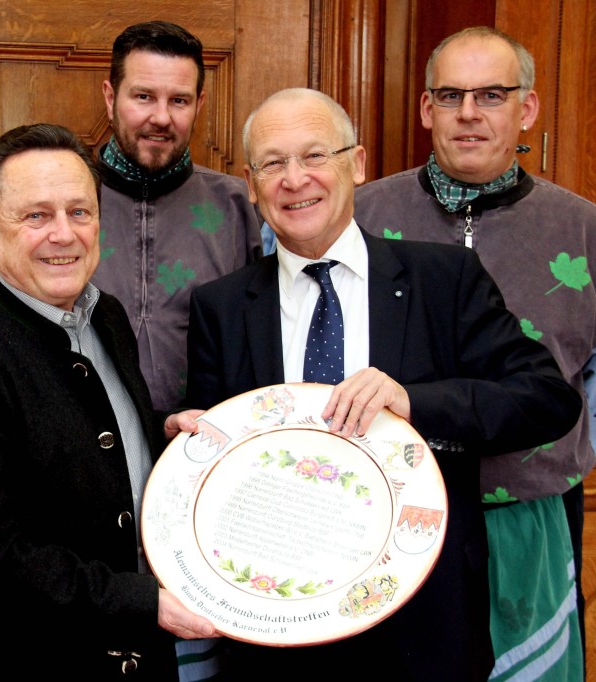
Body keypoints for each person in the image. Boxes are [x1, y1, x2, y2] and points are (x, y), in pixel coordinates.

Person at [186, 88, 580, 681]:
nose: (296, 180)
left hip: (424, 619)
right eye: (273, 163)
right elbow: (218, 463)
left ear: (358, 165)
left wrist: (414, 402)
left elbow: (548, 402)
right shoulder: (222, 307)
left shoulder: (444, 280)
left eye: (316, 156)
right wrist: (190, 441)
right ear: (251, 184)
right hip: (278, 626)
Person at [0, 123, 216, 679]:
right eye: (36, 216)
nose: (63, 234)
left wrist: (156, 429)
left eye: (79, 212)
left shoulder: (104, 315)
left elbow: (69, 430)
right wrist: (140, 601)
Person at [354, 27, 592, 681]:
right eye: (451, 95)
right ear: (426, 109)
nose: (468, 114)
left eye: (491, 95)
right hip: (385, 517)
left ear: (528, 109)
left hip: (528, 516)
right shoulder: (360, 218)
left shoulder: (583, 229)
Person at [92, 21, 262, 412]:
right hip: (84, 446)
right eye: (144, 96)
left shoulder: (239, 205)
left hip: (206, 443)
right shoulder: (66, 201)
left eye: (179, 101)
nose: (161, 117)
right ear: (110, 97)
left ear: (199, 105)